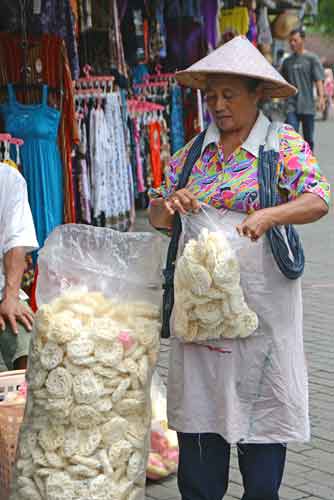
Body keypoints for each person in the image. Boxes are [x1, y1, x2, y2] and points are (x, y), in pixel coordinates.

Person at [149, 36, 330, 500]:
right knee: (201, 419)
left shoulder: (281, 145)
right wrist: (171, 205)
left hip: (262, 312)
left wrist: (270, 214)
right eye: (211, 96)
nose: (218, 105)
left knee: (261, 416)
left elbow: (318, 198)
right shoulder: (192, 153)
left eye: (230, 95)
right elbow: (157, 214)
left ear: (257, 94)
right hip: (199, 313)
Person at [0, 163, 38, 371]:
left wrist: (11, 296)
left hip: (1, 286)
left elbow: (16, 240)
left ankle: (21, 397)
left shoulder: (9, 179)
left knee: (27, 339)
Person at [281, 27, 325, 151]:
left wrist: (321, 98)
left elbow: (318, 79)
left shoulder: (312, 59)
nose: (292, 43)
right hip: (291, 106)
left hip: (307, 105)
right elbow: (282, 82)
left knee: (308, 139)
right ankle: (293, 164)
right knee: (290, 136)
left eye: (295, 40)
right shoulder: (287, 62)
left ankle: (309, 164)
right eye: (290, 41)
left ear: (303, 40)